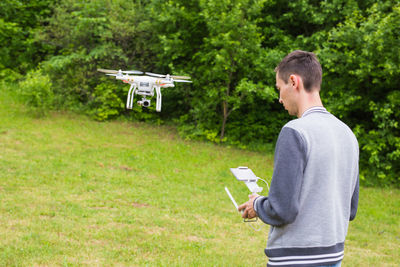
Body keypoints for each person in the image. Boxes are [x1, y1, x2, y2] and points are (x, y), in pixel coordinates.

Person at [238, 50, 359, 267]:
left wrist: (257, 203)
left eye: (279, 88)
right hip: (333, 258)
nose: (279, 98)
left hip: (293, 260)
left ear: (293, 81)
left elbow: (282, 209)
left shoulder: (295, 131)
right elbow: (350, 209)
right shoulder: (348, 134)